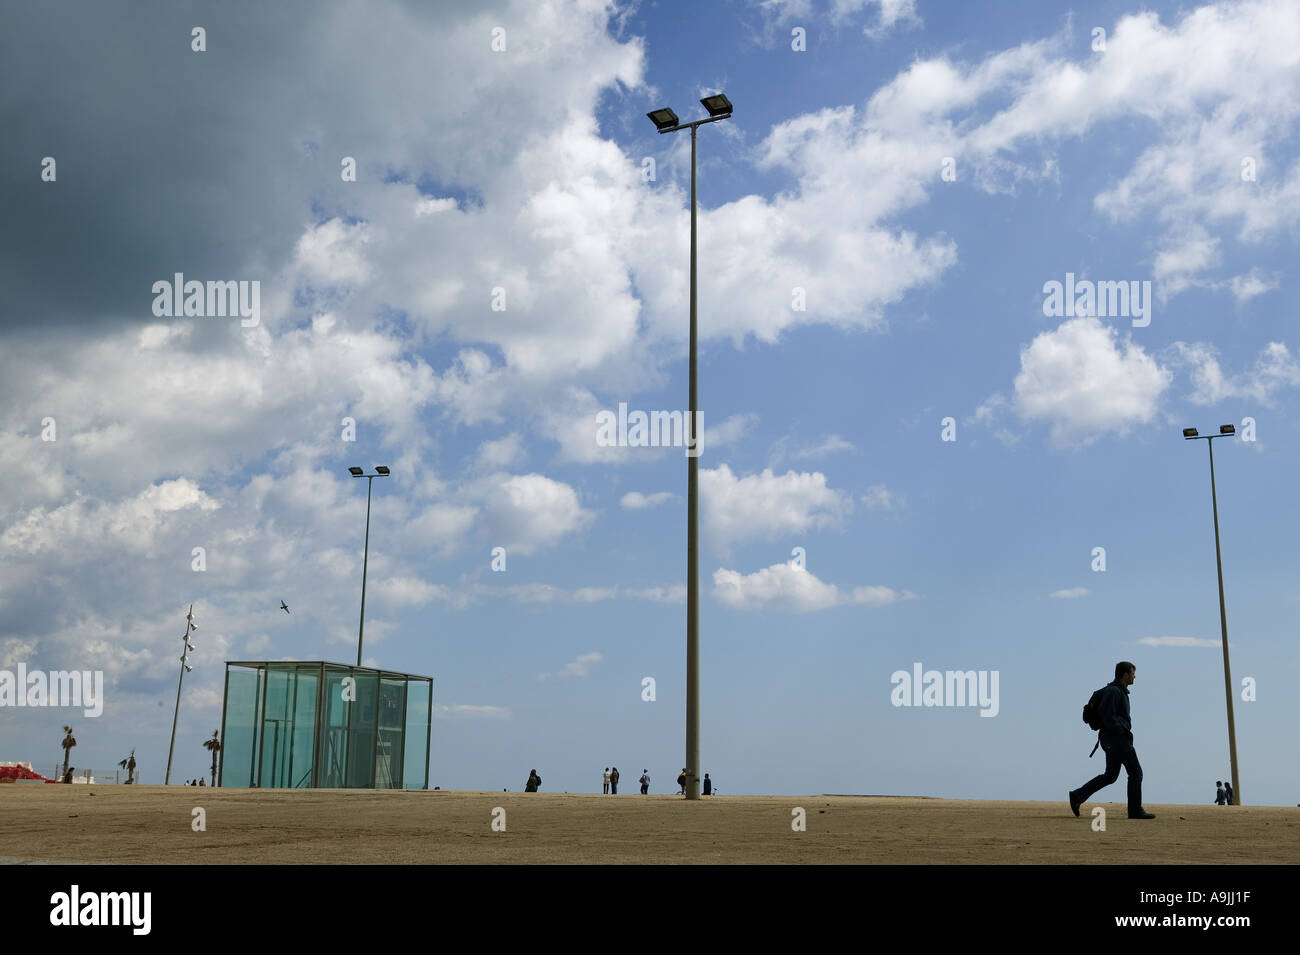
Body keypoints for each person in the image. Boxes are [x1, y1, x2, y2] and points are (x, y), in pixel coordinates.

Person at [1069, 661, 1155, 820]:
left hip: (1111, 739)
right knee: (1136, 773)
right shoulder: (1114, 691)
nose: (1134, 676)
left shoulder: (1118, 691)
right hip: (1117, 740)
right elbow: (1107, 715)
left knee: (1110, 776)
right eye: (1132, 673)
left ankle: (1077, 796)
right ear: (1125, 674)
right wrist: (1121, 729)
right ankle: (1135, 810)